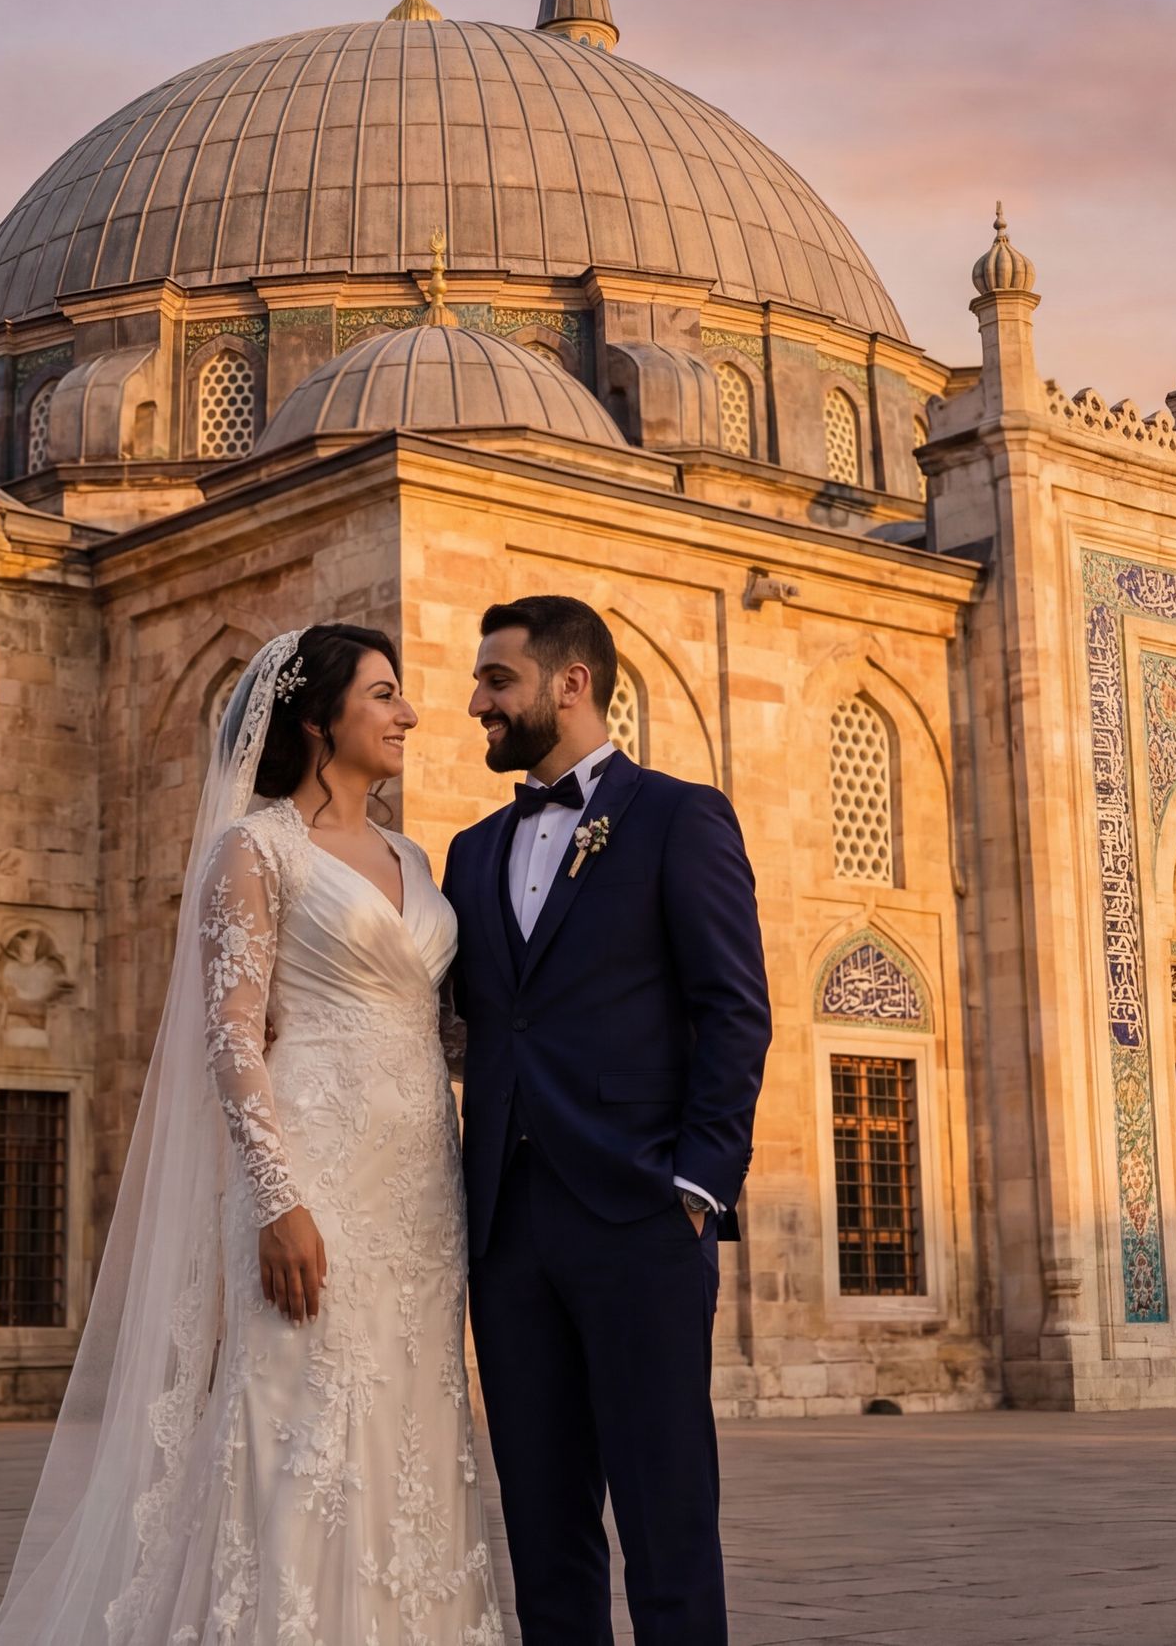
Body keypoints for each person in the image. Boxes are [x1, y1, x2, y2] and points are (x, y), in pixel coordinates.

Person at [0, 624, 503, 1645]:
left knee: (413, 1424)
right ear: (320, 720)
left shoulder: (410, 853)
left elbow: (436, 1019)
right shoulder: (253, 848)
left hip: (417, 1187)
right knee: (296, 1417)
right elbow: (230, 1036)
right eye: (386, 694)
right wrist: (275, 1198)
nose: (409, 715)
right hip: (311, 1173)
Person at [444, 595, 772, 1646]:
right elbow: (473, 1028)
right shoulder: (469, 851)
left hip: (640, 1218)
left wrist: (697, 1186)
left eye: (497, 680)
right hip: (509, 1231)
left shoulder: (680, 818)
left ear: (568, 683)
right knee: (544, 1529)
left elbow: (734, 1007)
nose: (476, 702)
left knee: (666, 1521)